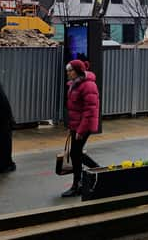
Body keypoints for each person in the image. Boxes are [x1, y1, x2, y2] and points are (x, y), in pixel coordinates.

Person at [62, 59, 100, 197]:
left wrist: (80, 130)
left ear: (77, 71)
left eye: (70, 70)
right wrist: (72, 127)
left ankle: (80, 182)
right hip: (76, 124)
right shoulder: (74, 85)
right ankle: (84, 179)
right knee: (76, 153)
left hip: (84, 125)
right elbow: (74, 109)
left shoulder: (88, 85)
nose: (68, 73)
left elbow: (90, 110)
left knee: (76, 153)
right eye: (67, 70)